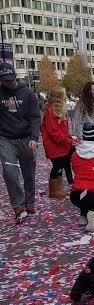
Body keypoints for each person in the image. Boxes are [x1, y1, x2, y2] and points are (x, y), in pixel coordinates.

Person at [0, 62, 41, 223]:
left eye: (10, 80)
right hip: (5, 138)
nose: (7, 83)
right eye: (4, 80)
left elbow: (35, 118)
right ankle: (18, 205)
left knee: (29, 173)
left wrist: (34, 138)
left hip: (25, 137)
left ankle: (29, 201)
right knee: (10, 173)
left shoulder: (28, 94)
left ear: (15, 77)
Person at [41, 86, 75, 199]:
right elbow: (53, 131)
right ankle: (53, 191)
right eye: (64, 94)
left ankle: (58, 189)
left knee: (61, 165)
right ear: (58, 97)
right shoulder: (51, 111)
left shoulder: (59, 110)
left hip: (62, 145)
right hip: (54, 146)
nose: (66, 96)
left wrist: (70, 139)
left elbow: (63, 129)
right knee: (57, 166)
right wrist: (68, 140)